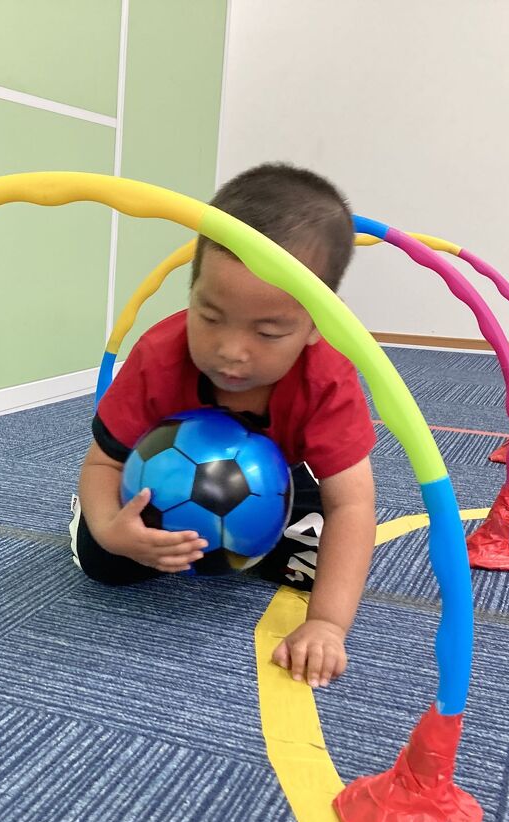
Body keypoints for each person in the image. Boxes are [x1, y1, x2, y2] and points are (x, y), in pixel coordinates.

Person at [70, 162, 376, 689]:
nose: (231, 350)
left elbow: (353, 503)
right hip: (155, 480)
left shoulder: (327, 378)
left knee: (324, 560)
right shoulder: (158, 356)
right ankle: (97, 524)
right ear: (192, 292)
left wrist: (327, 623)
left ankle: (253, 537)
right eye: (210, 317)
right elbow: (102, 463)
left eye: (268, 332)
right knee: (108, 562)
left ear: (317, 323)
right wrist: (108, 527)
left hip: (275, 478)